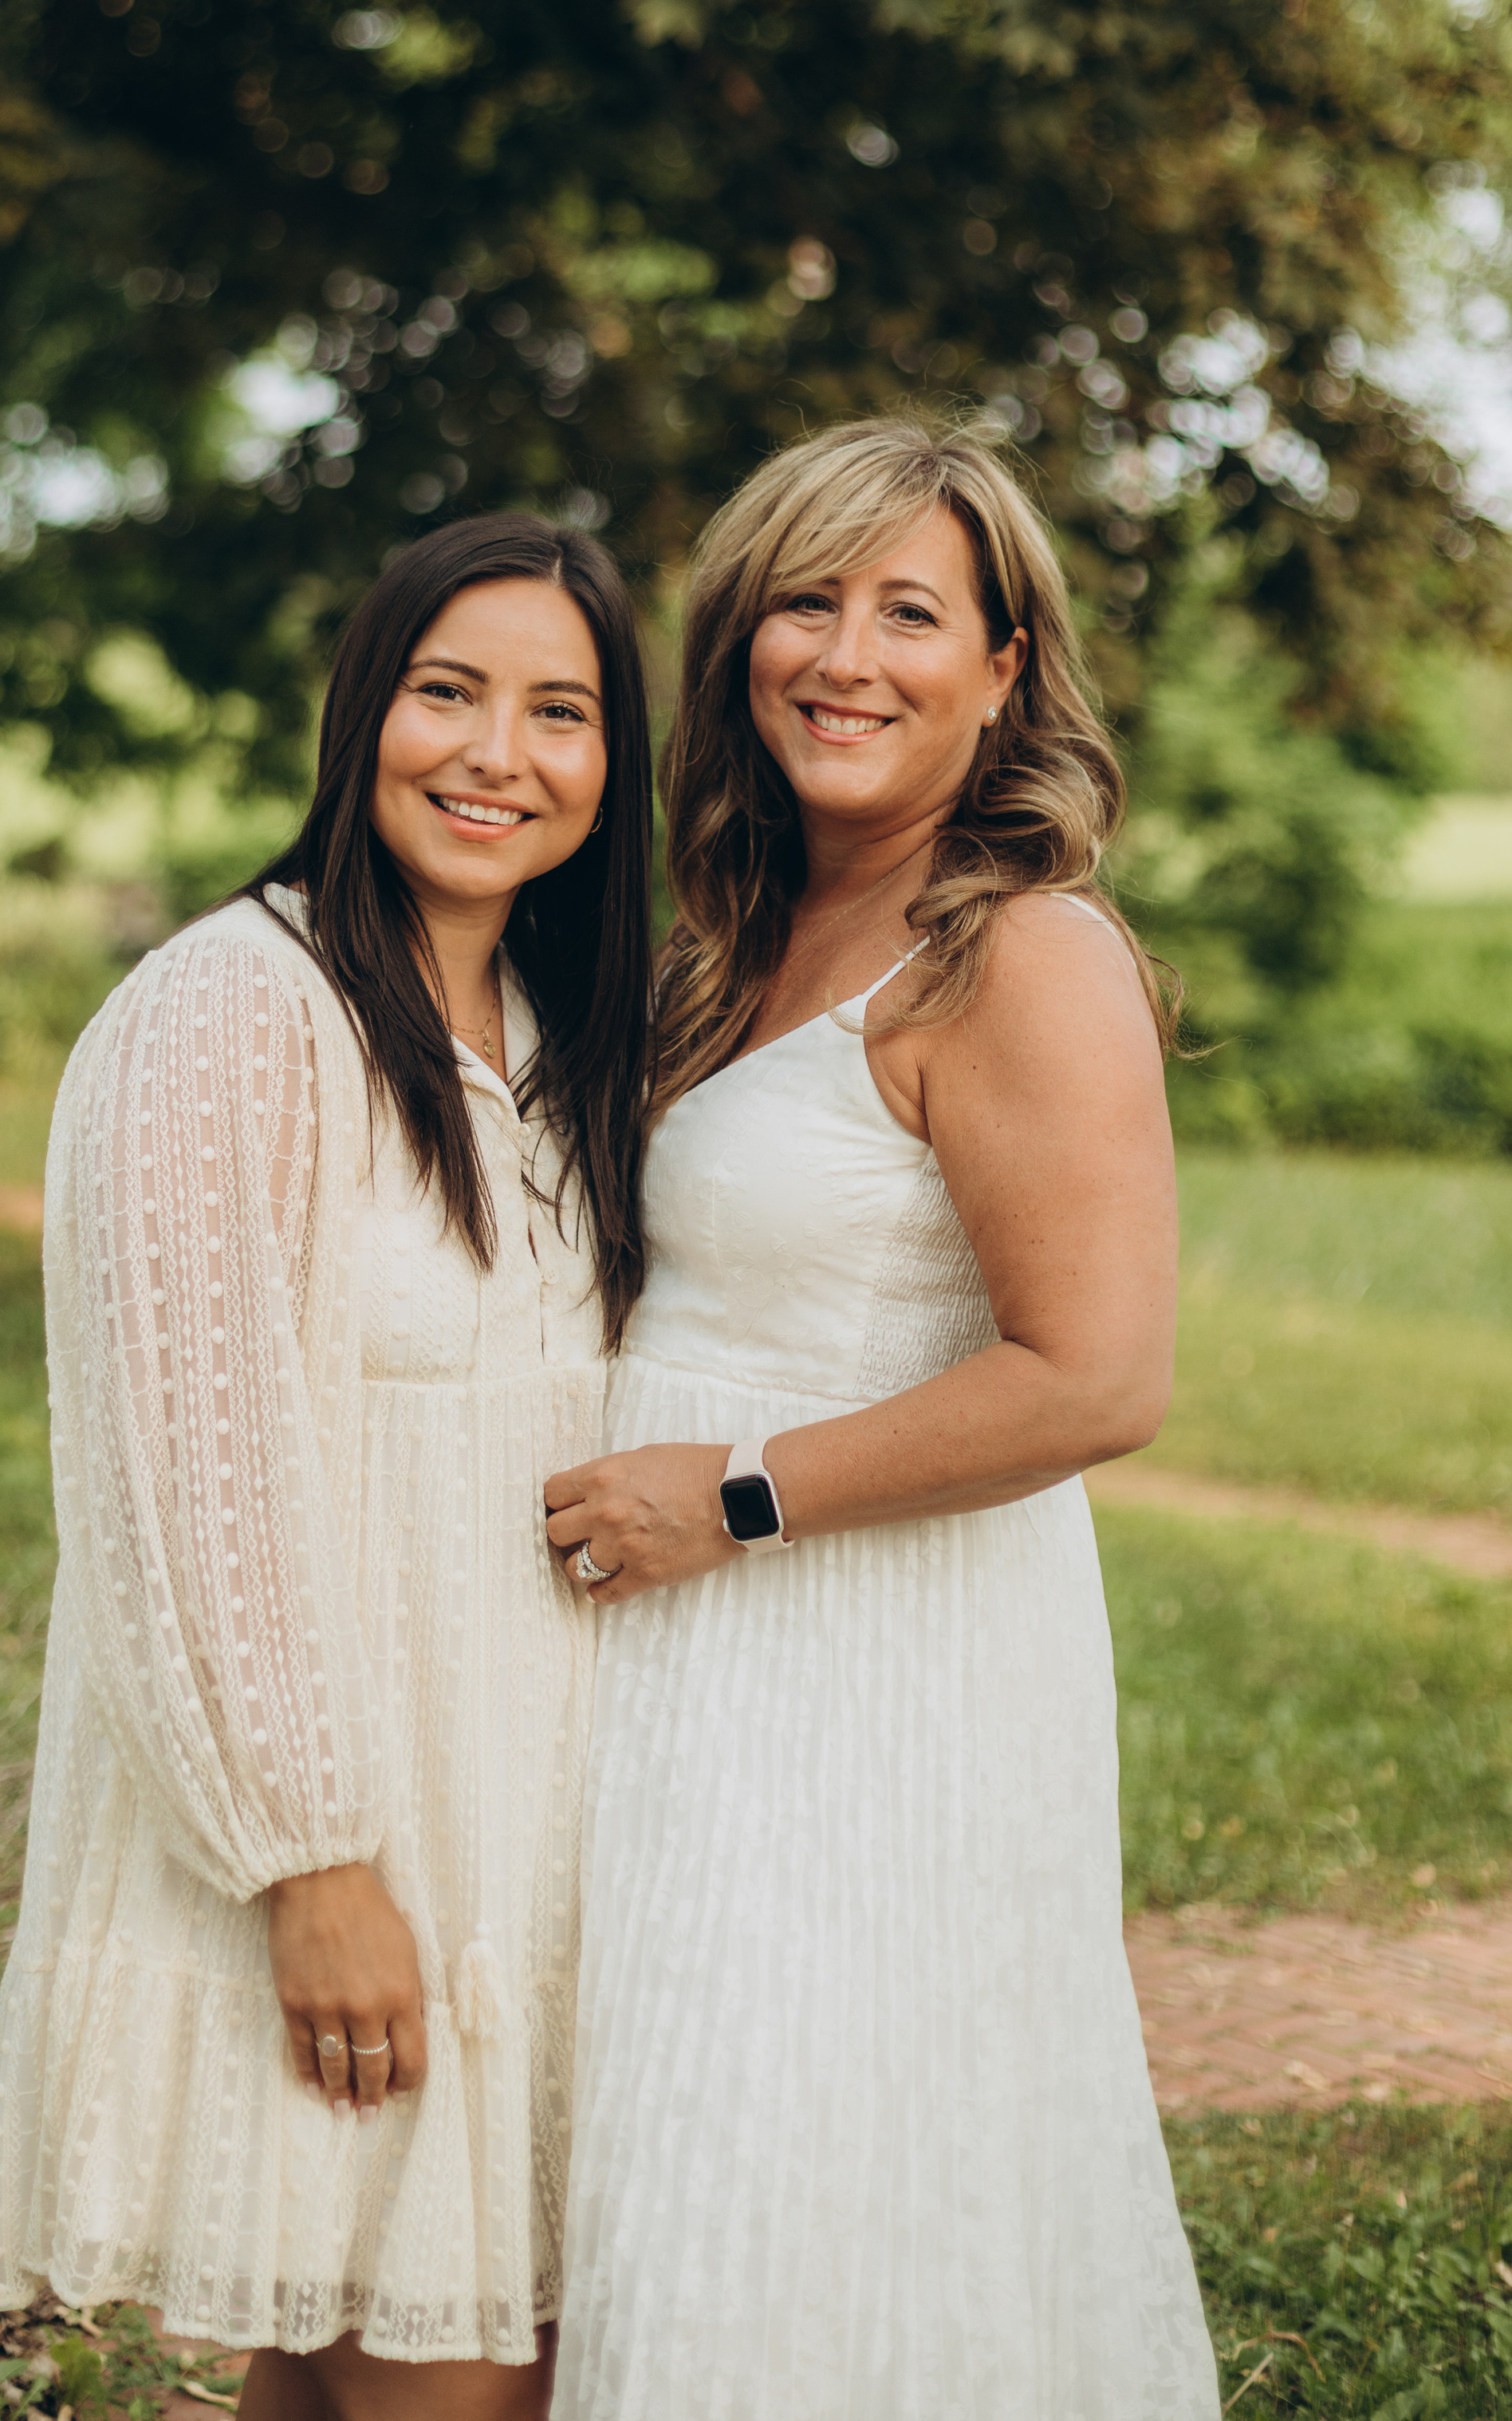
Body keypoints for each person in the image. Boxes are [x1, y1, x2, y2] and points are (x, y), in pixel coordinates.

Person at [544, 419, 1220, 2420]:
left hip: (864, 1670)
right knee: (679, 2150)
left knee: (816, 2162)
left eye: (908, 611)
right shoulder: (730, 941)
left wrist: (731, 1499)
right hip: (679, 1678)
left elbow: (1095, 1374)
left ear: (1003, 669)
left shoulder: (1018, 950)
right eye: (802, 603)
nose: (845, 655)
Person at [0, 514, 654, 2419]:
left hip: (512, 1827)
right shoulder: (227, 1010)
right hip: (341, 1840)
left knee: (356, 2379)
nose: (495, 754)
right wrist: (309, 1859)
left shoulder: (554, 1034)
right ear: (362, 715)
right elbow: (185, 1474)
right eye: (448, 693)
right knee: (452, 2387)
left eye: (559, 713)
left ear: (614, 769)